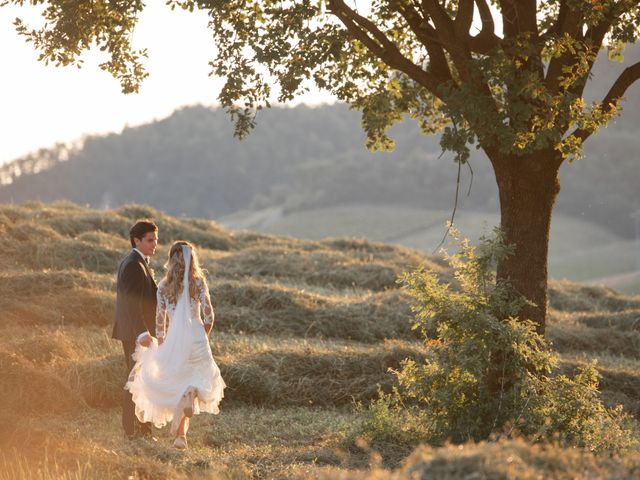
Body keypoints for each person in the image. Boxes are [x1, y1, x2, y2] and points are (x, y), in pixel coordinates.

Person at [125, 241, 226, 449]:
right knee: (195, 380)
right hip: (197, 338)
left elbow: (159, 320)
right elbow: (209, 315)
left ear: (171, 260)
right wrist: (202, 335)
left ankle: (181, 436)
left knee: (179, 382)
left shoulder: (163, 286)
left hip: (174, 339)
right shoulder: (198, 283)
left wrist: (162, 343)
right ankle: (181, 434)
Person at [112, 220, 159, 439]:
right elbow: (131, 303)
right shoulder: (132, 264)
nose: (154, 244)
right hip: (135, 334)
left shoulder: (140, 262)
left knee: (144, 380)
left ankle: (143, 429)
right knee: (134, 380)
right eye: (150, 240)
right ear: (137, 240)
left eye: (156, 240)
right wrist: (142, 332)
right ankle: (131, 431)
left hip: (138, 332)